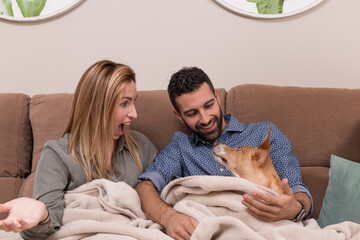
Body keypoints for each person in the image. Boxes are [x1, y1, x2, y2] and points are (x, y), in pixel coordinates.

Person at [136, 67, 313, 240]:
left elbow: (298, 189)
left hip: (268, 227)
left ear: (217, 97)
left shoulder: (265, 133)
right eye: (192, 113)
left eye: (209, 105)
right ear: (178, 115)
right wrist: (169, 217)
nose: (205, 119)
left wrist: (296, 208)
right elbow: (145, 186)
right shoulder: (180, 148)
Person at [0, 60, 157, 239]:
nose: (134, 113)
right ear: (98, 107)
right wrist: (41, 216)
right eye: (124, 104)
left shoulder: (142, 147)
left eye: (133, 102)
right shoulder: (58, 154)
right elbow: (44, 227)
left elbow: (160, 203)